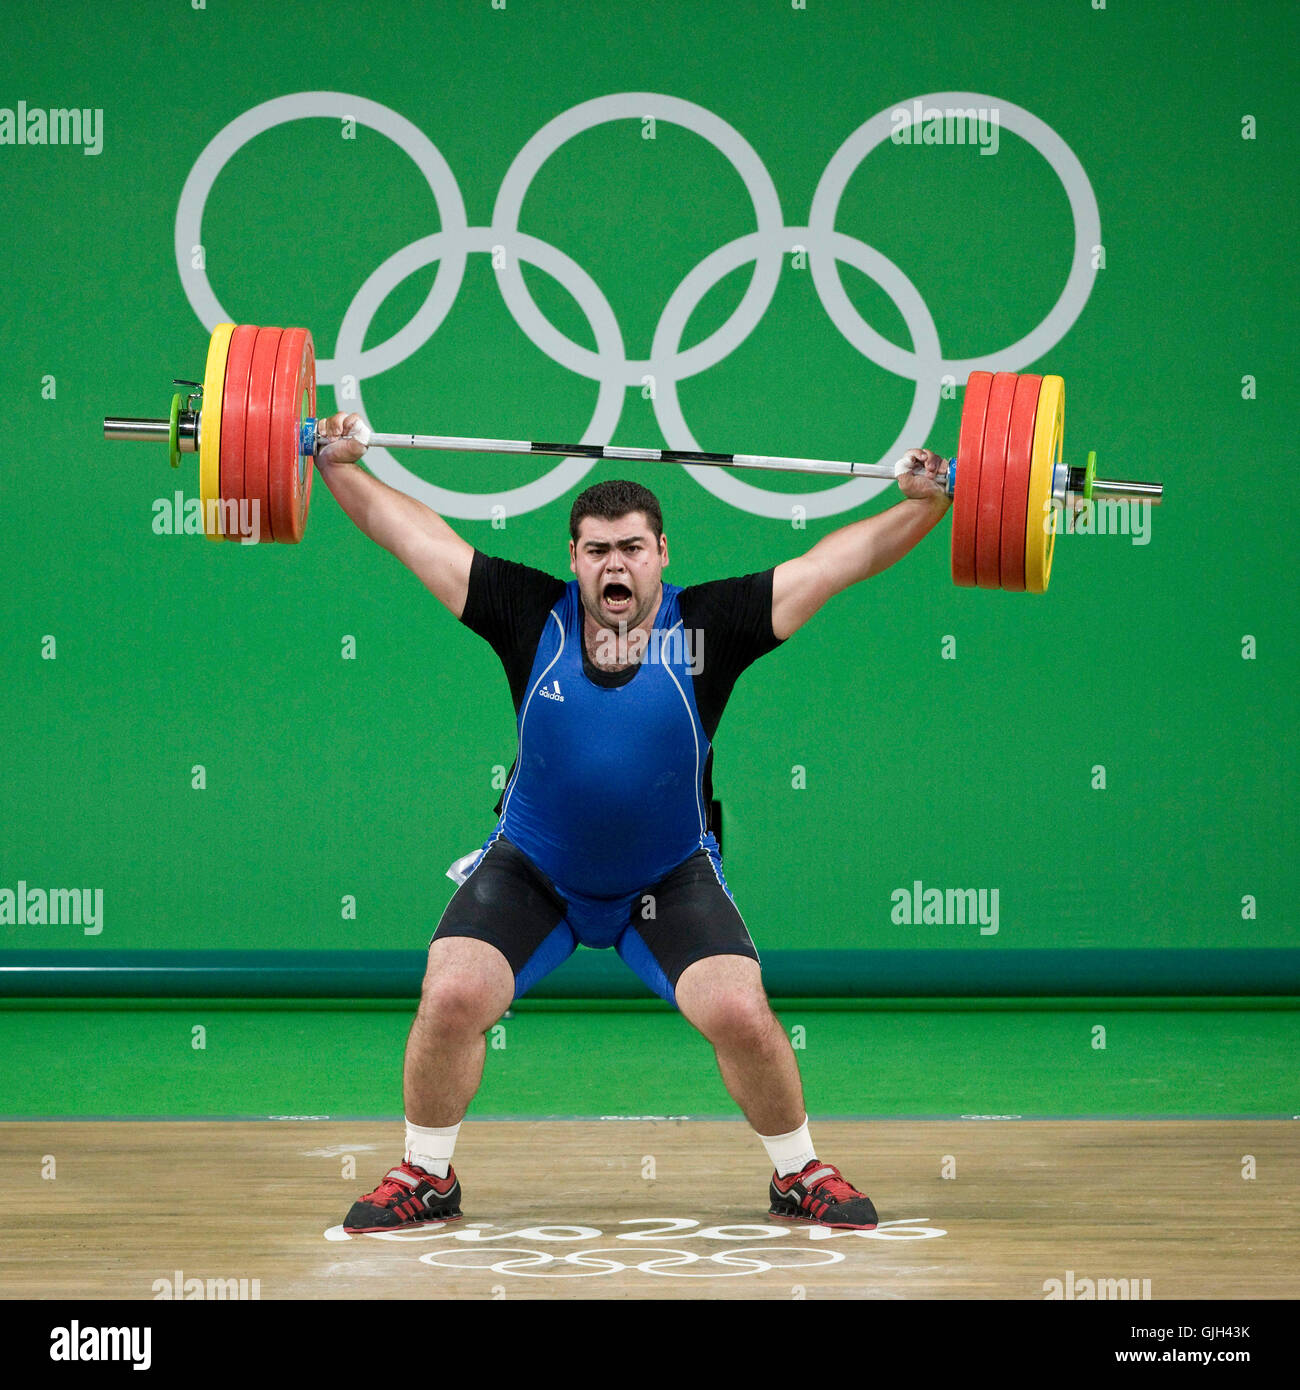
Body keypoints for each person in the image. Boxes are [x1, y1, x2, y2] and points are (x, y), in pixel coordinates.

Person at [313, 413, 950, 1232]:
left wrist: (924, 507)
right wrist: (338, 468)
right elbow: (413, 537)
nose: (615, 564)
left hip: (667, 877)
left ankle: (798, 1172)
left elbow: (837, 564)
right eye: (597, 550)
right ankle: (426, 1174)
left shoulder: (710, 628)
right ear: (574, 559)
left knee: (741, 1011)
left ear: (661, 555)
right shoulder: (527, 614)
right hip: (534, 872)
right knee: (450, 994)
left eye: (633, 548)